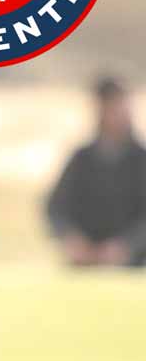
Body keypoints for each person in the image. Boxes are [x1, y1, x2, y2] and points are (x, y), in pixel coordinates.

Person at [45, 76, 146, 267]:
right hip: (85, 264)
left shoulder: (141, 160)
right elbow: (55, 208)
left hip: (134, 264)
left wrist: (127, 246)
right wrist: (71, 239)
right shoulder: (82, 159)